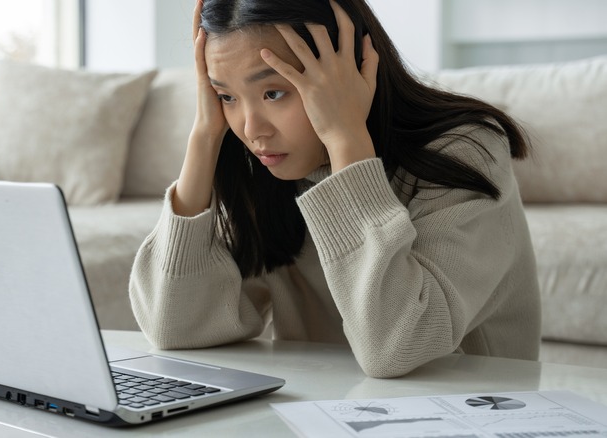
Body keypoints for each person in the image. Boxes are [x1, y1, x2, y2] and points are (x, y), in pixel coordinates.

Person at [129, 0, 541, 378]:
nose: (252, 130)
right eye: (226, 96)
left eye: (274, 92)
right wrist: (204, 137)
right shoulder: (265, 167)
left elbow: (396, 348)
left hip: (462, 412)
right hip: (320, 411)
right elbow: (175, 327)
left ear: (351, 69)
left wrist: (345, 139)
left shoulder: (464, 150)